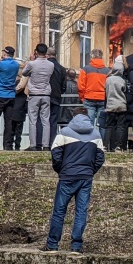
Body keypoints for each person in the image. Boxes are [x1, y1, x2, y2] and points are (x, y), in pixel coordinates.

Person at [42, 106, 106, 253]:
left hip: (67, 177)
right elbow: (100, 158)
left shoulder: (64, 132)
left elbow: (55, 153)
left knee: (59, 211)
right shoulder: (95, 134)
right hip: (85, 178)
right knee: (81, 211)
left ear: (73, 116)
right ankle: (76, 246)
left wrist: (61, 169)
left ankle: (52, 244)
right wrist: (90, 171)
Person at [20, 44, 54, 150]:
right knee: (46, 120)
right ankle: (46, 145)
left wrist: (30, 61)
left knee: (33, 120)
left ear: (36, 52)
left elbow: (24, 73)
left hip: (34, 94)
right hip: (46, 94)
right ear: (46, 52)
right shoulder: (51, 65)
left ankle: (33, 144)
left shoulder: (32, 64)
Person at [0, 47, 20, 151]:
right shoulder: (16, 65)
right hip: (10, 95)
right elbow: (6, 66)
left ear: (6, 54)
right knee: (8, 121)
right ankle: (7, 145)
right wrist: (2, 60)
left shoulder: (1, 64)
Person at [77, 49, 110, 129]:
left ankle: (89, 140)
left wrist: (82, 97)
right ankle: (102, 141)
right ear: (101, 57)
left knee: (88, 122)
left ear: (92, 57)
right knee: (102, 123)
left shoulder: (85, 69)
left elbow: (80, 86)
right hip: (102, 99)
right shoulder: (107, 71)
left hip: (89, 98)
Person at [103, 56, 128, 152]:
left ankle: (105, 145)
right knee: (120, 125)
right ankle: (118, 146)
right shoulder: (122, 81)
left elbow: (105, 92)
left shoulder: (108, 80)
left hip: (110, 105)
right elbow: (124, 91)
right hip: (121, 105)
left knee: (109, 125)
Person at [46, 47, 67, 143]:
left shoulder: (45, 66)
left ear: (47, 55)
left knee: (43, 120)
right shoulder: (62, 69)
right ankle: (52, 142)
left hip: (45, 95)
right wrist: (59, 92)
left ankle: (42, 142)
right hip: (56, 97)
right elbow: (64, 86)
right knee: (54, 121)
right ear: (56, 56)